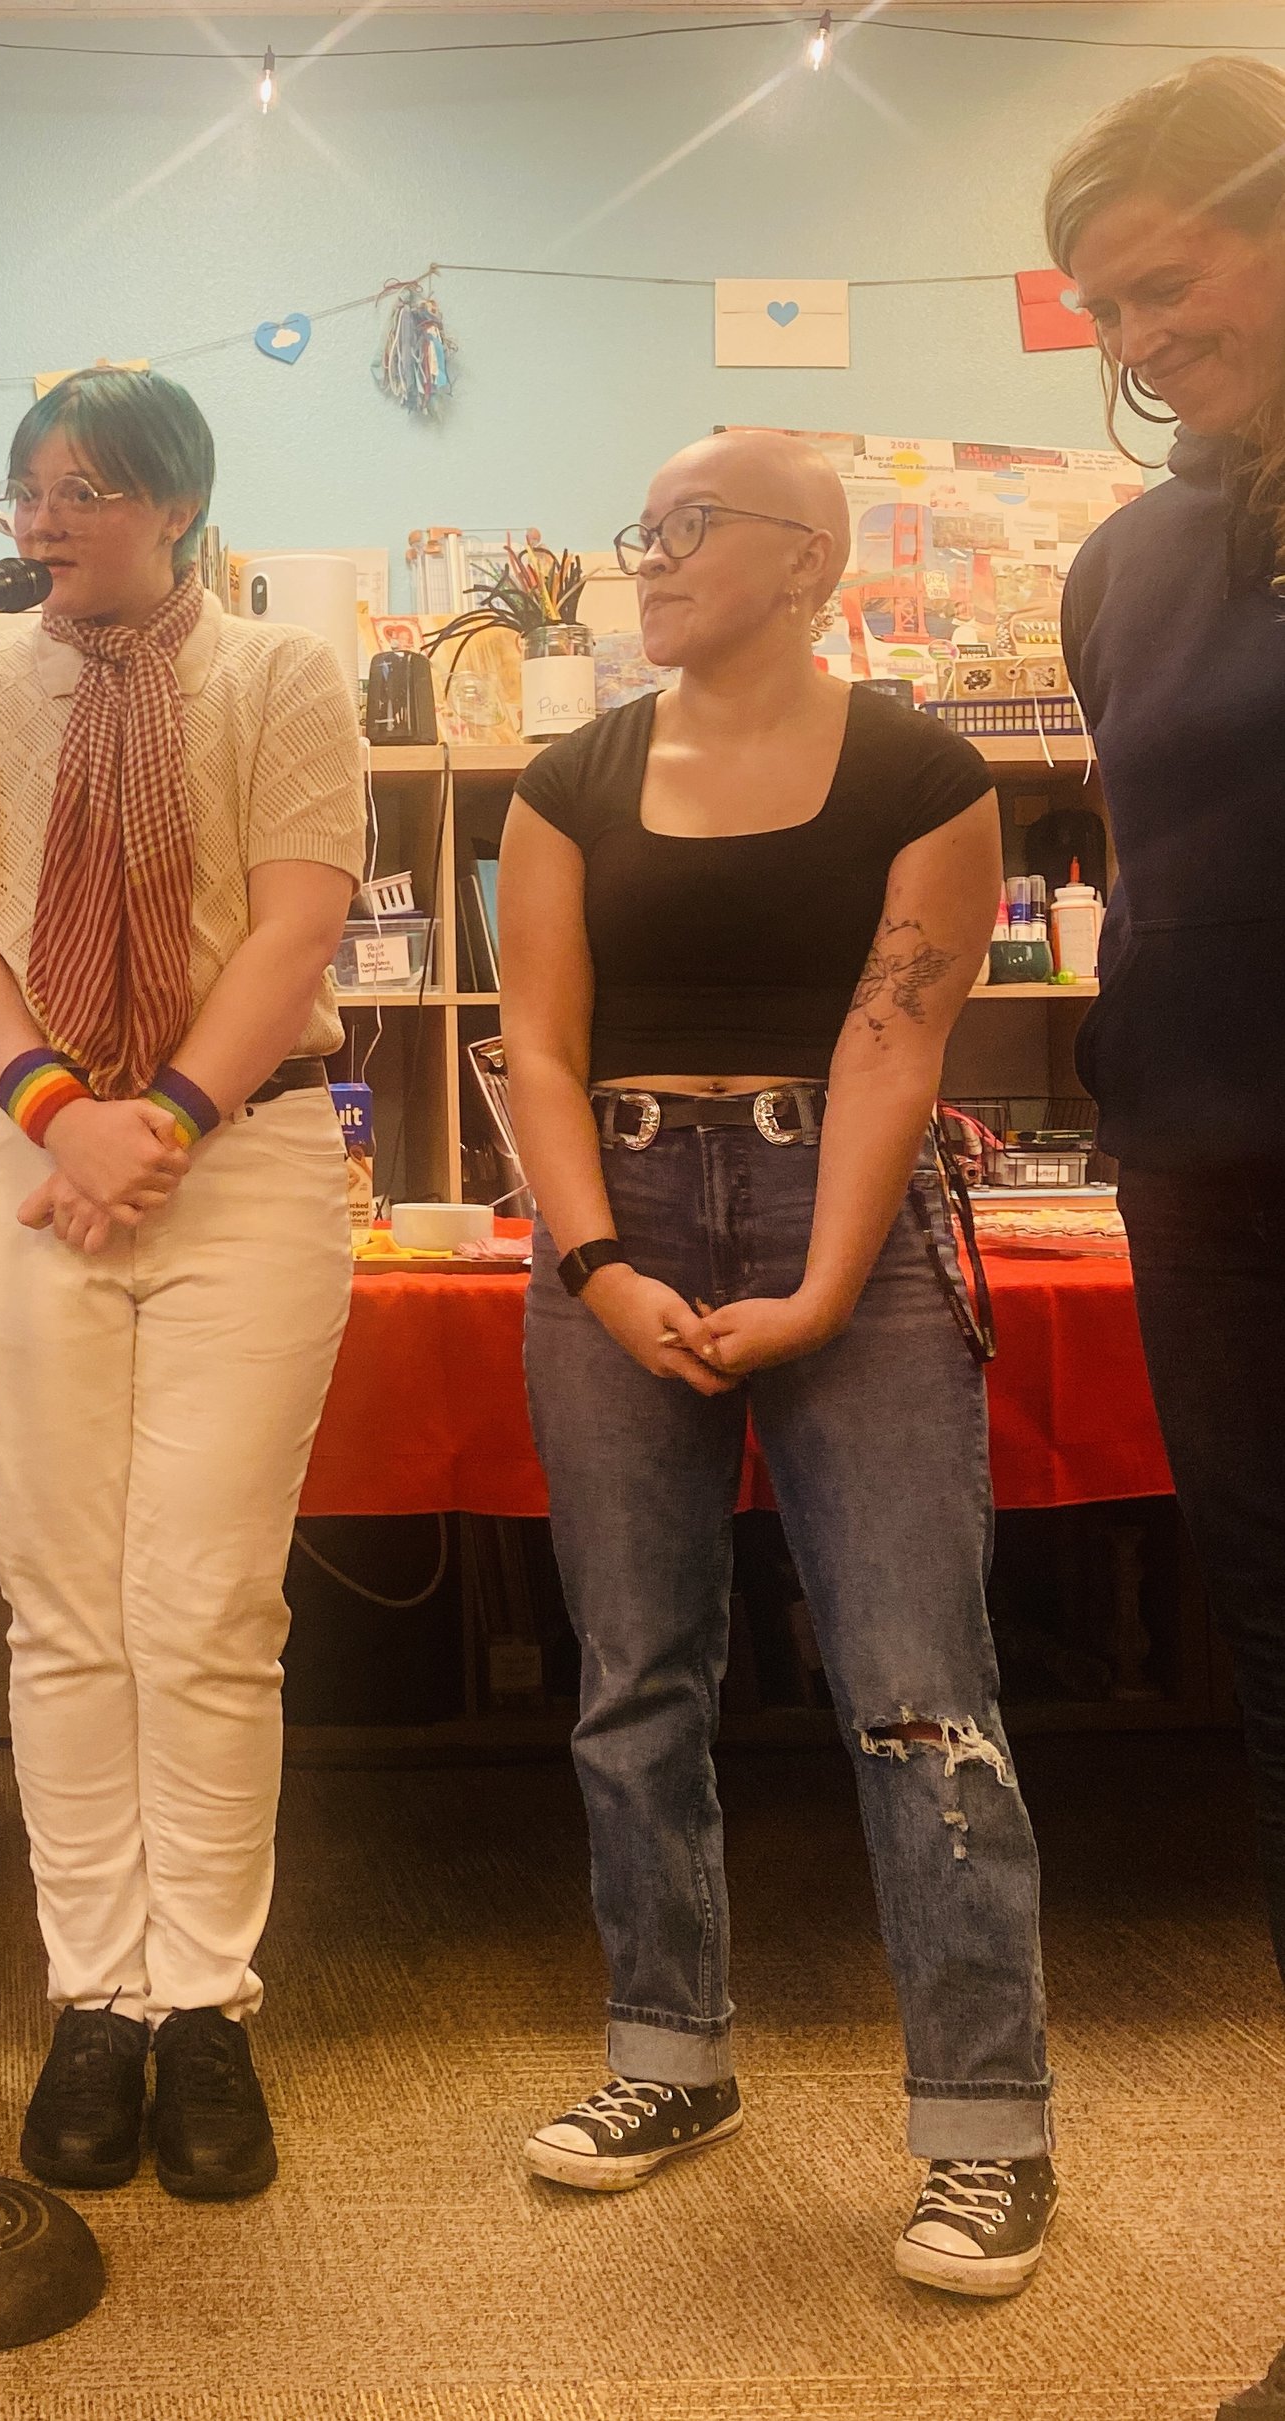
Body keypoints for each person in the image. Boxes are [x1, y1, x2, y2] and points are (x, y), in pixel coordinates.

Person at [499, 429, 1057, 2298]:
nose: (647, 558)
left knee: (919, 1683)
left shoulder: (923, 772)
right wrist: (594, 1262)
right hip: (620, 1211)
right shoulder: (571, 778)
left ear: (811, 560)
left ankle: (986, 2124)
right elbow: (537, 1040)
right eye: (640, 528)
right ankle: (670, 2052)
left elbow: (898, 1035)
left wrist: (824, 1284)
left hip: (852, 1216)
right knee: (632, 1673)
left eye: (689, 527)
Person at [0, 369, 362, 2201]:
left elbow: (296, 922)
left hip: (239, 1158)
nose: (40, 519)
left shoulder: (280, 671)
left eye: (83, 488)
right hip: (33, 1154)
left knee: (207, 1604)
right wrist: (61, 1117)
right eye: (24, 489)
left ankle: (207, 2004)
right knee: (61, 1603)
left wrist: (154, 1123)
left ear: (175, 502)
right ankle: (96, 1996)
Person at [1043, 54, 1285, 2409]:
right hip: (1210, 1188)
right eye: (1102, 306)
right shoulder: (1123, 566)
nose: (1133, 337)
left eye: (1165, 276)